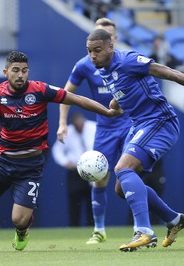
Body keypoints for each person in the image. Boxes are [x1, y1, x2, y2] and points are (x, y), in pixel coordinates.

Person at [0, 50, 122, 254]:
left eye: (24, 70)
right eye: (15, 70)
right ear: (6, 72)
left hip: (30, 165)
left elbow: (74, 98)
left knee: (18, 220)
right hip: (3, 161)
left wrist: (107, 111)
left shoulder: (39, 90)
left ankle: (22, 231)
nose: (20, 75)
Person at [85, 29, 184, 252]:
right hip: (139, 124)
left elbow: (167, 72)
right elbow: (122, 87)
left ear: (110, 48)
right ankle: (173, 219)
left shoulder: (128, 60)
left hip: (160, 120)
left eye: (97, 50)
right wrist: (115, 106)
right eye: (89, 52)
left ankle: (144, 231)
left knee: (123, 169)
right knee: (120, 188)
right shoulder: (104, 69)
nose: (93, 56)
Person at [57, 17, 131, 244]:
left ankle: (142, 228)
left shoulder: (129, 60)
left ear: (113, 40)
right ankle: (99, 230)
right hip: (105, 128)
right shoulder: (85, 64)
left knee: (130, 176)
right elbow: (65, 94)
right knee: (99, 179)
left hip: (130, 125)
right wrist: (62, 123)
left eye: (106, 35)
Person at [52, 112, 96, 227]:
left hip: (92, 170)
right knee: (74, 202)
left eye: (81, 124)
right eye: (77, 125)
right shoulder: (68, 131)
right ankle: (74, 227)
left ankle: (93, 227)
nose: (79, 127)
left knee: (92, 200)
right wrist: (65, 162)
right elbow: (57, 150)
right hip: (75, 171)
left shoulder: (94, 127)